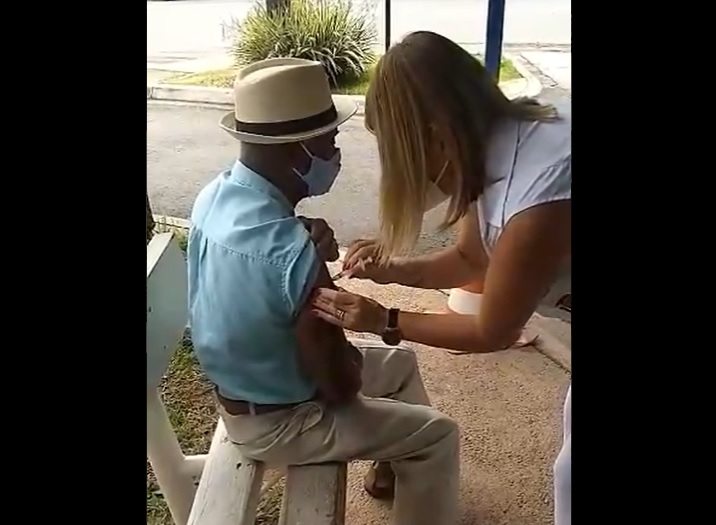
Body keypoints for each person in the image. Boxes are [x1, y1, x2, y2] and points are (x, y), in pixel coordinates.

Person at [309, 32, 571, 525]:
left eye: (398, 146)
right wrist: (392, 270)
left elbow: (492, 330)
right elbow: (473, 259)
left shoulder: (539, 198)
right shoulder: (496, 141)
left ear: (436, 133)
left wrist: (383, 318)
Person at [186, 57, 460, 525]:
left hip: (245, 388)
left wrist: (302, 238)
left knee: (400, 363)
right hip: (278, 422)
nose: (336, 152)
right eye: (329, 142)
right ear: (299, 149)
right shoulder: (293, 253)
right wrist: (351, 357)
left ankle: (388, 475)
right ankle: (417, 470)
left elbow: (267, 276)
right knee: (438, 434)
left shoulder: (216, 196)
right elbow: (338, 385)